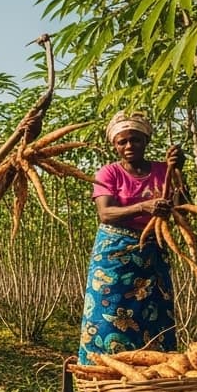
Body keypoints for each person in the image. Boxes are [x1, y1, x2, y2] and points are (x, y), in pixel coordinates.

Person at [76, 112, 185, 363]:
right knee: (109, 315)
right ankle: (103, 375)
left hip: (152, 253)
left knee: (154, 317)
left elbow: (181, 209)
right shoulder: (108, 173)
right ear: (114, 145)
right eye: (121, 142)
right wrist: (143, 207)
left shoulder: (163, 171)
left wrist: (178, 172)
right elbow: (105, 213)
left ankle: (152, 379)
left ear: (146, 140)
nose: (128, 146)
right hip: (114, 257)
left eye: (134, 140)